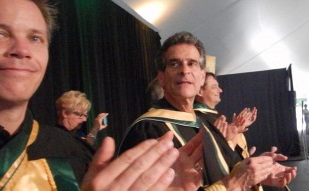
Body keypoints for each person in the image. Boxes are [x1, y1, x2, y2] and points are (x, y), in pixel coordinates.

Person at [0, 1, 203, 190]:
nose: (22, 50)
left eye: (35, 38)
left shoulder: (75, 155)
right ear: (161, 77)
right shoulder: (147, 128)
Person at [116, 31, 295, 190]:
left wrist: (258, 170)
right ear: (161, 78)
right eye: (174, 64)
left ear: (201, 77)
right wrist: (233, 185)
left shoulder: (206, 122)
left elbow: (230, 170)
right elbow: (233, 181)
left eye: (192, 63)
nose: (185, 70)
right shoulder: (147, 132)